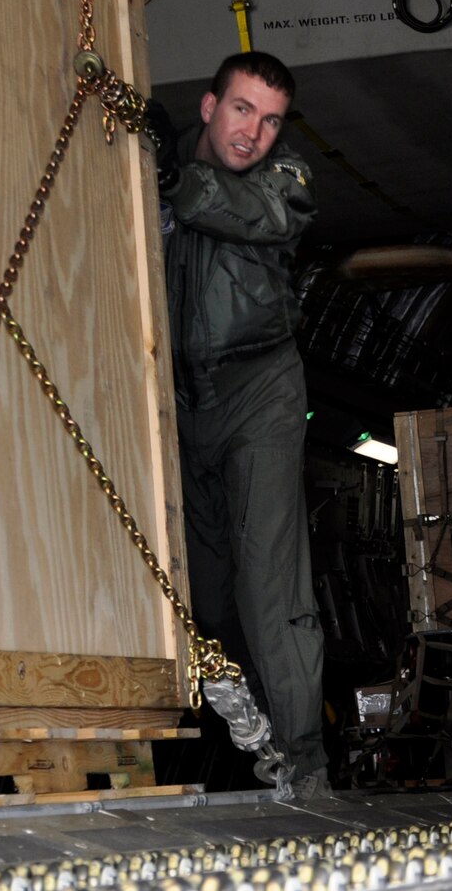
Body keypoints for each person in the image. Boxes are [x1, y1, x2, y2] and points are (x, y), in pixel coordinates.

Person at [147, 51, 328, 795]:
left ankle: (306, 769)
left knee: (268, 588)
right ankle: (247, 754)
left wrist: (170, 177)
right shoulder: (154, 178)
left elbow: (247, 211)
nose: (253, 131)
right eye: (242, 108)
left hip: (261, 393)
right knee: (209, 600)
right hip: (183, 403)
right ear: (209, 106)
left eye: (271, 119)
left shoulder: (286, 181)